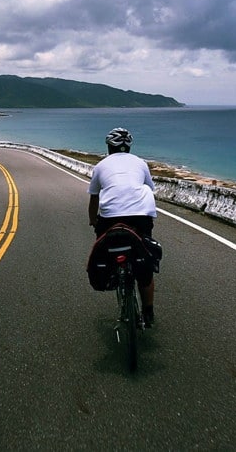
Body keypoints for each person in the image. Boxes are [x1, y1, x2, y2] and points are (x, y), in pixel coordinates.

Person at [88, 127, 157, 326]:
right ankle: (148, 312)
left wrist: (93, 221)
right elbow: (149, 189)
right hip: (141, 216)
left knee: (104, 247)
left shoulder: (101, 166)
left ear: (109, 147)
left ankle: (111, 274)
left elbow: (94, 199)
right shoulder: (141, 163)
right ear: (129, 147)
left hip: (110, 218)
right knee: (145, 262)